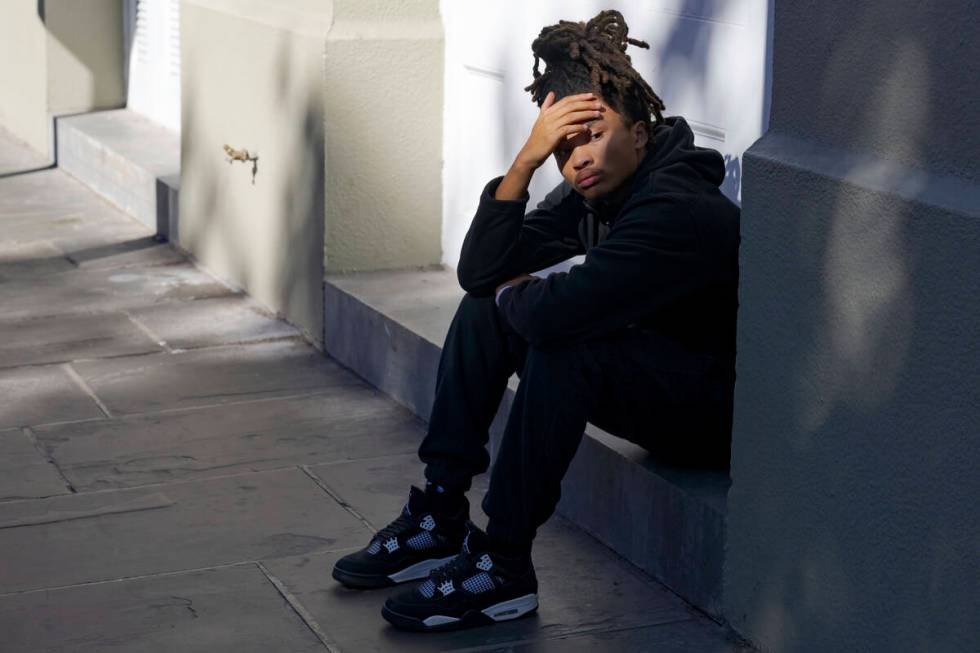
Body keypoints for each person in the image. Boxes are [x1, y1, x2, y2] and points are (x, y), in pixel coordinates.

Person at [331, 9, 740, 632]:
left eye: (593, 135)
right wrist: (523, 164)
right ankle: (440, 514)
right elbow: (481, 274)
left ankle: (503, 567)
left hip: (708, 420)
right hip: (654, 384)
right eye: (563, 146)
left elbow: (557, 314)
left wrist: (516, 298)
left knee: (561, 345)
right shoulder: (594, 189)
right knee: (483, 310)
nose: (578, 159)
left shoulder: (678, 210)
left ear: (640, 130)